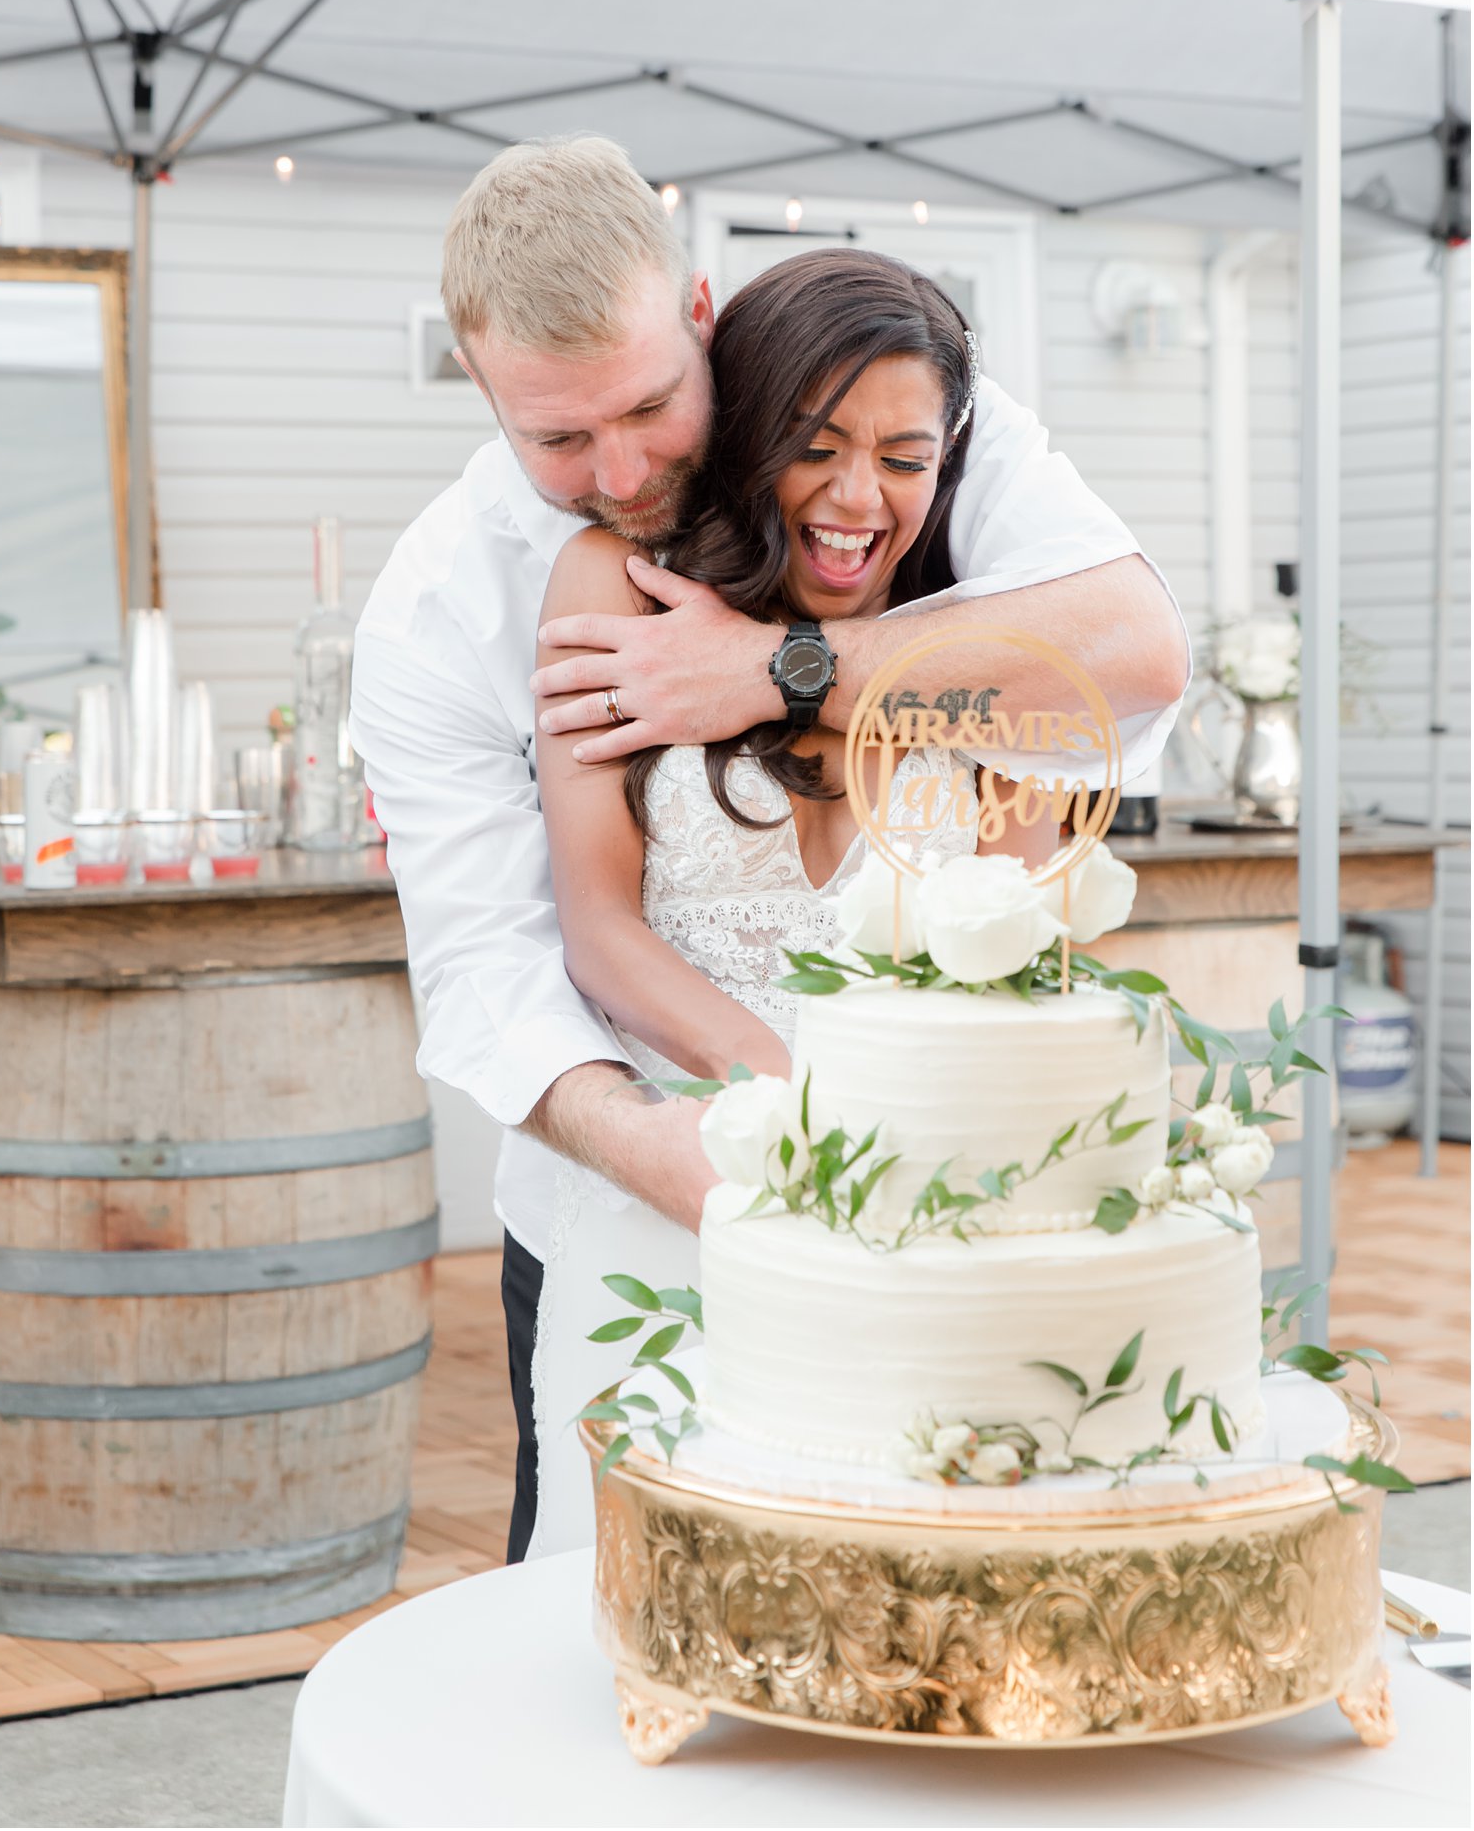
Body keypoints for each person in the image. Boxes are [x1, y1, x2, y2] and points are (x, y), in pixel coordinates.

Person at [349, 135, 1189, 1562]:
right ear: (481, 393)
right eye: (554, 437)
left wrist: (780, 669)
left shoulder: (884, 425)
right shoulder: (448, 608)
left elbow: (1127, 658)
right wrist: (736, 1143)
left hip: (929, 1207)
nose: (616, 469)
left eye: (647, 409)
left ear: (704, 317)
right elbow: (506, 957)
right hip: (641, 1179)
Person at [526, 245, 1063, 1555]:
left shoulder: (981, 649)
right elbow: (599, 927)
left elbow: (1024, 959)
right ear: (753, 426)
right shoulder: (613, 583)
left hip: (911, 1234)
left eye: (905, 455)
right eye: (818, 443)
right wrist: (805, 1131)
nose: (858, 495)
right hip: (678, 1199)